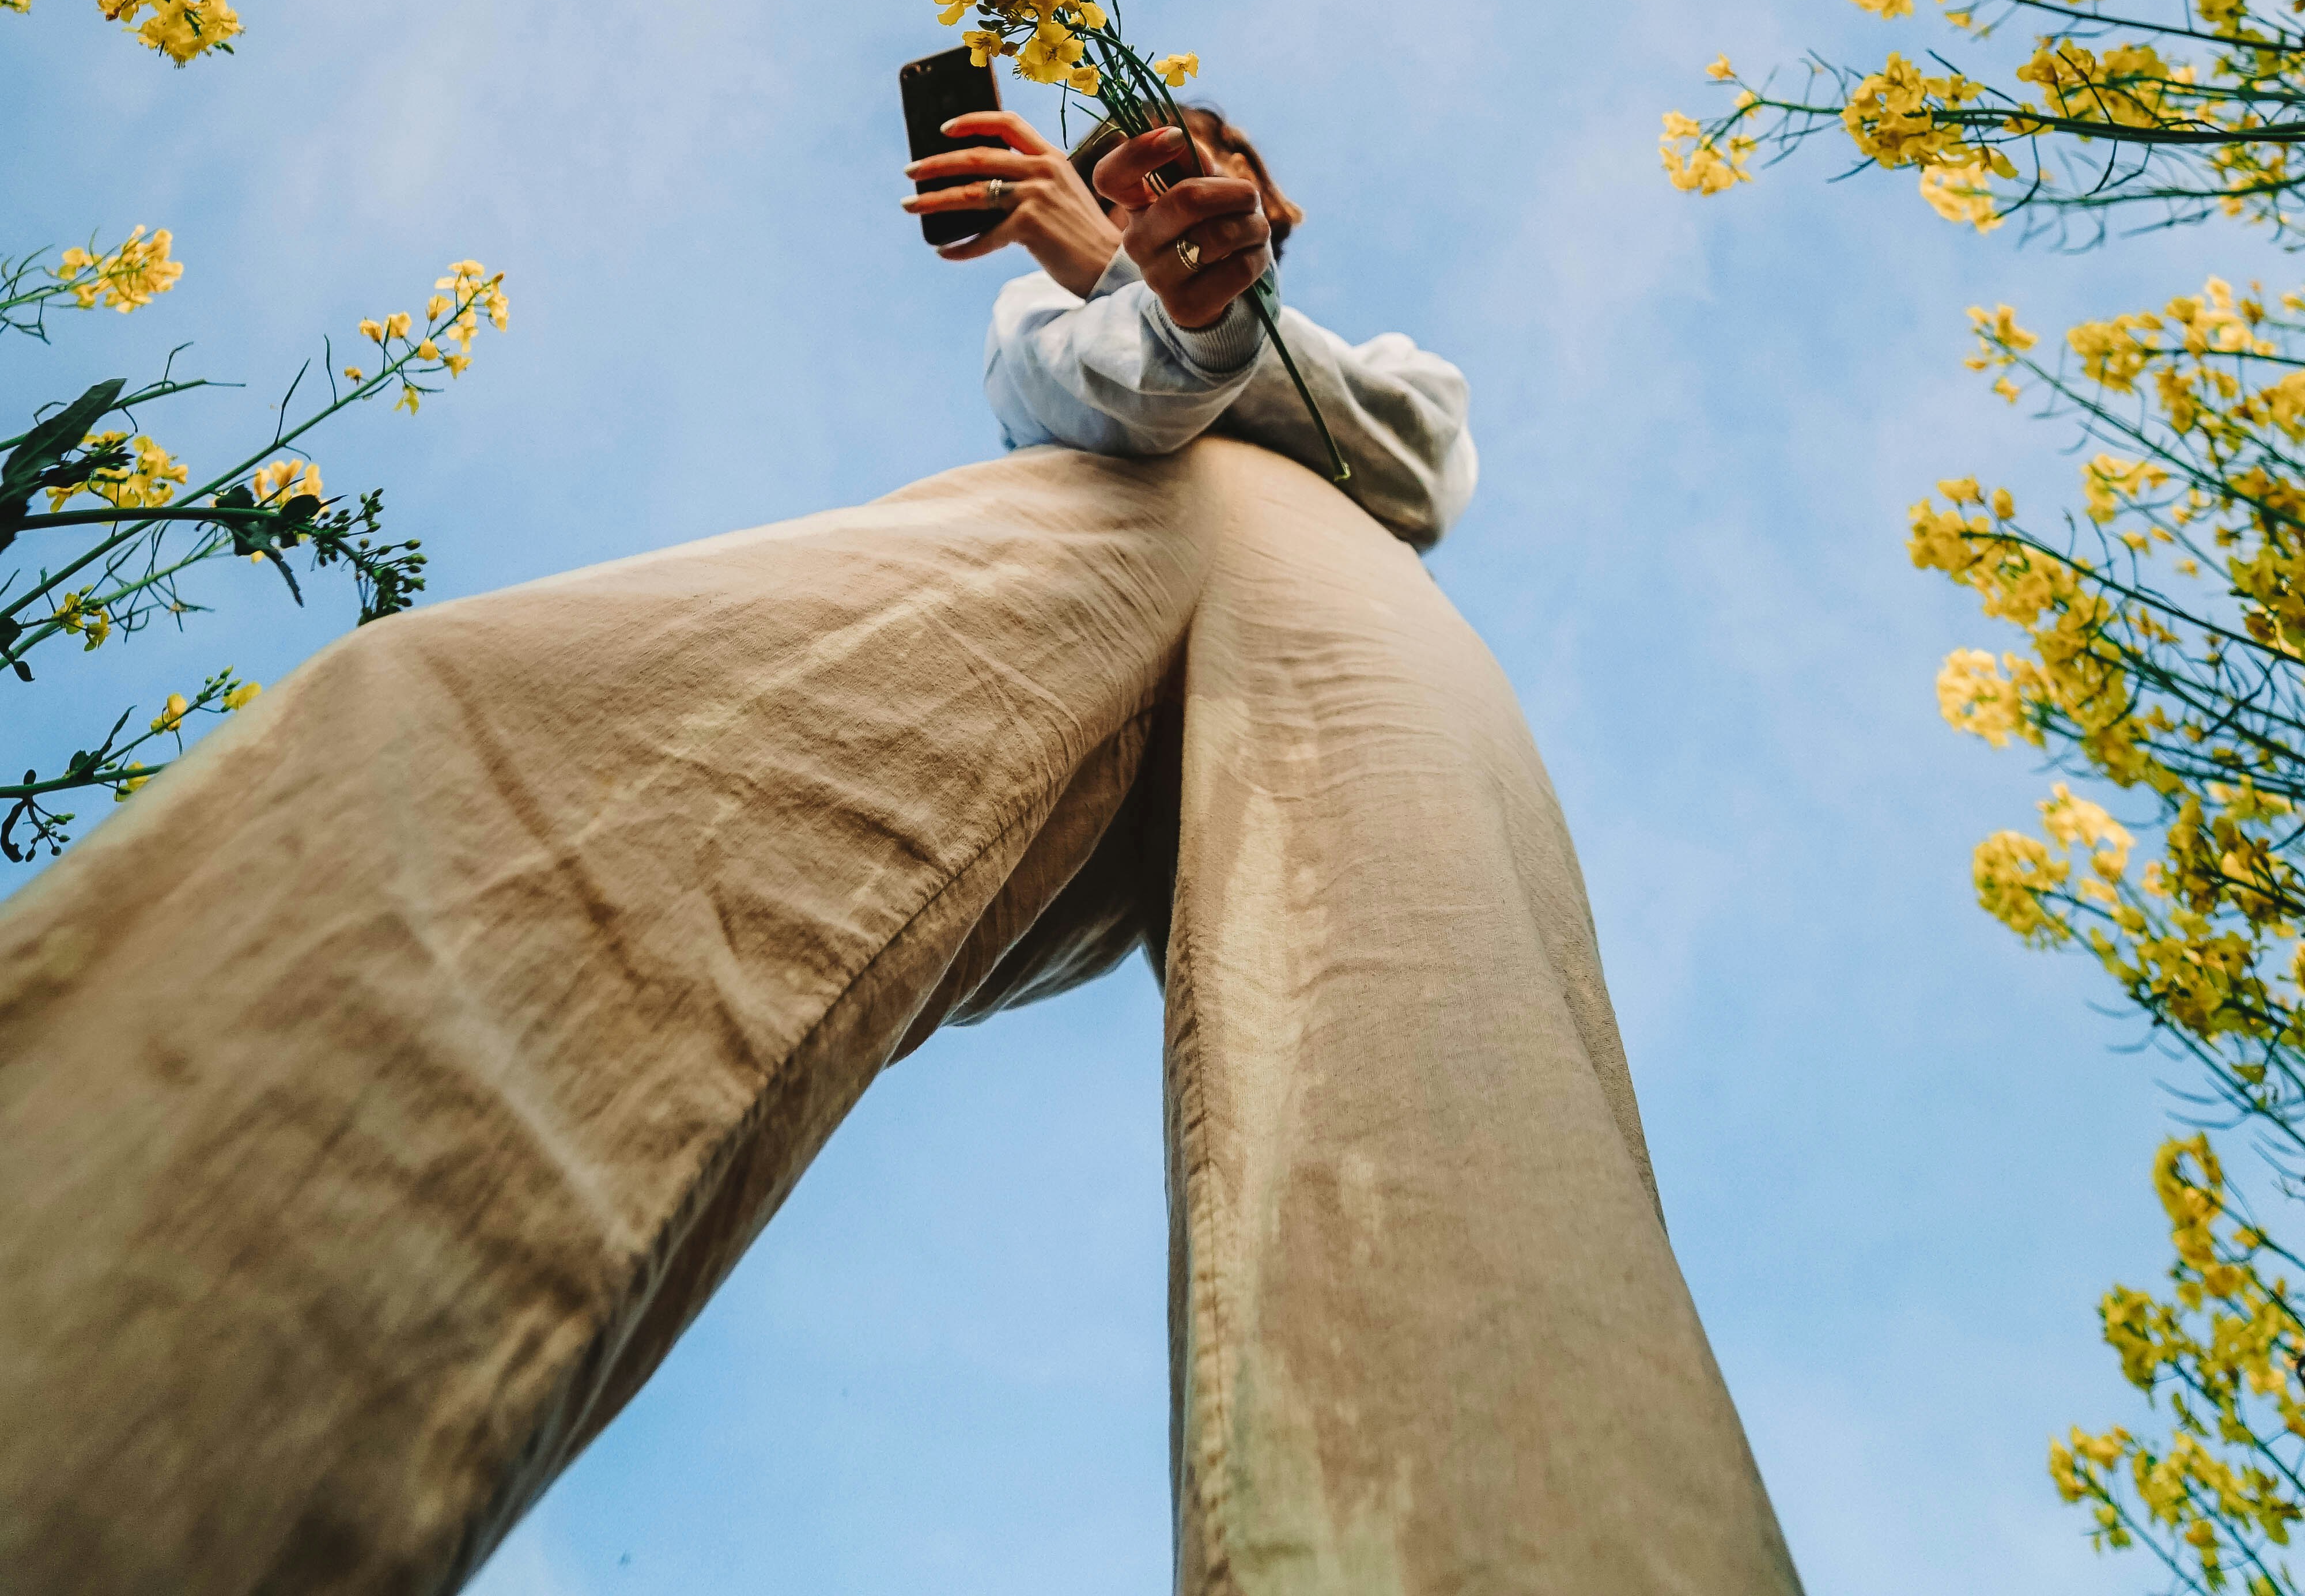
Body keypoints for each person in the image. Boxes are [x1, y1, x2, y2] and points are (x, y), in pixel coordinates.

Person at [0, 87, 1804, 1596]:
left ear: (1271, 195)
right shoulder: (1042, 326)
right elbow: (1095, 409)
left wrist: (1193, 292)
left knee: (1431, 1036)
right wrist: (1141, 295)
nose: (1135, 195)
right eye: (1102, 180)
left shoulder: (1383, 357)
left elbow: (1404, 469)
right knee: (506, 719)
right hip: (1063, 549)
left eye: (1179, 169)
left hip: (1345, 614)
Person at [902, 97, 1478, 549]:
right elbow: (1091, 405)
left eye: (1176, 164)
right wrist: (1173, 308)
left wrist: (1118, 269)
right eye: (1121, 193)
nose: (1162, 198)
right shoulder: (1036, 309)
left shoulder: (1397, 365)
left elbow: (1425, 482)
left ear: (1251, 186)